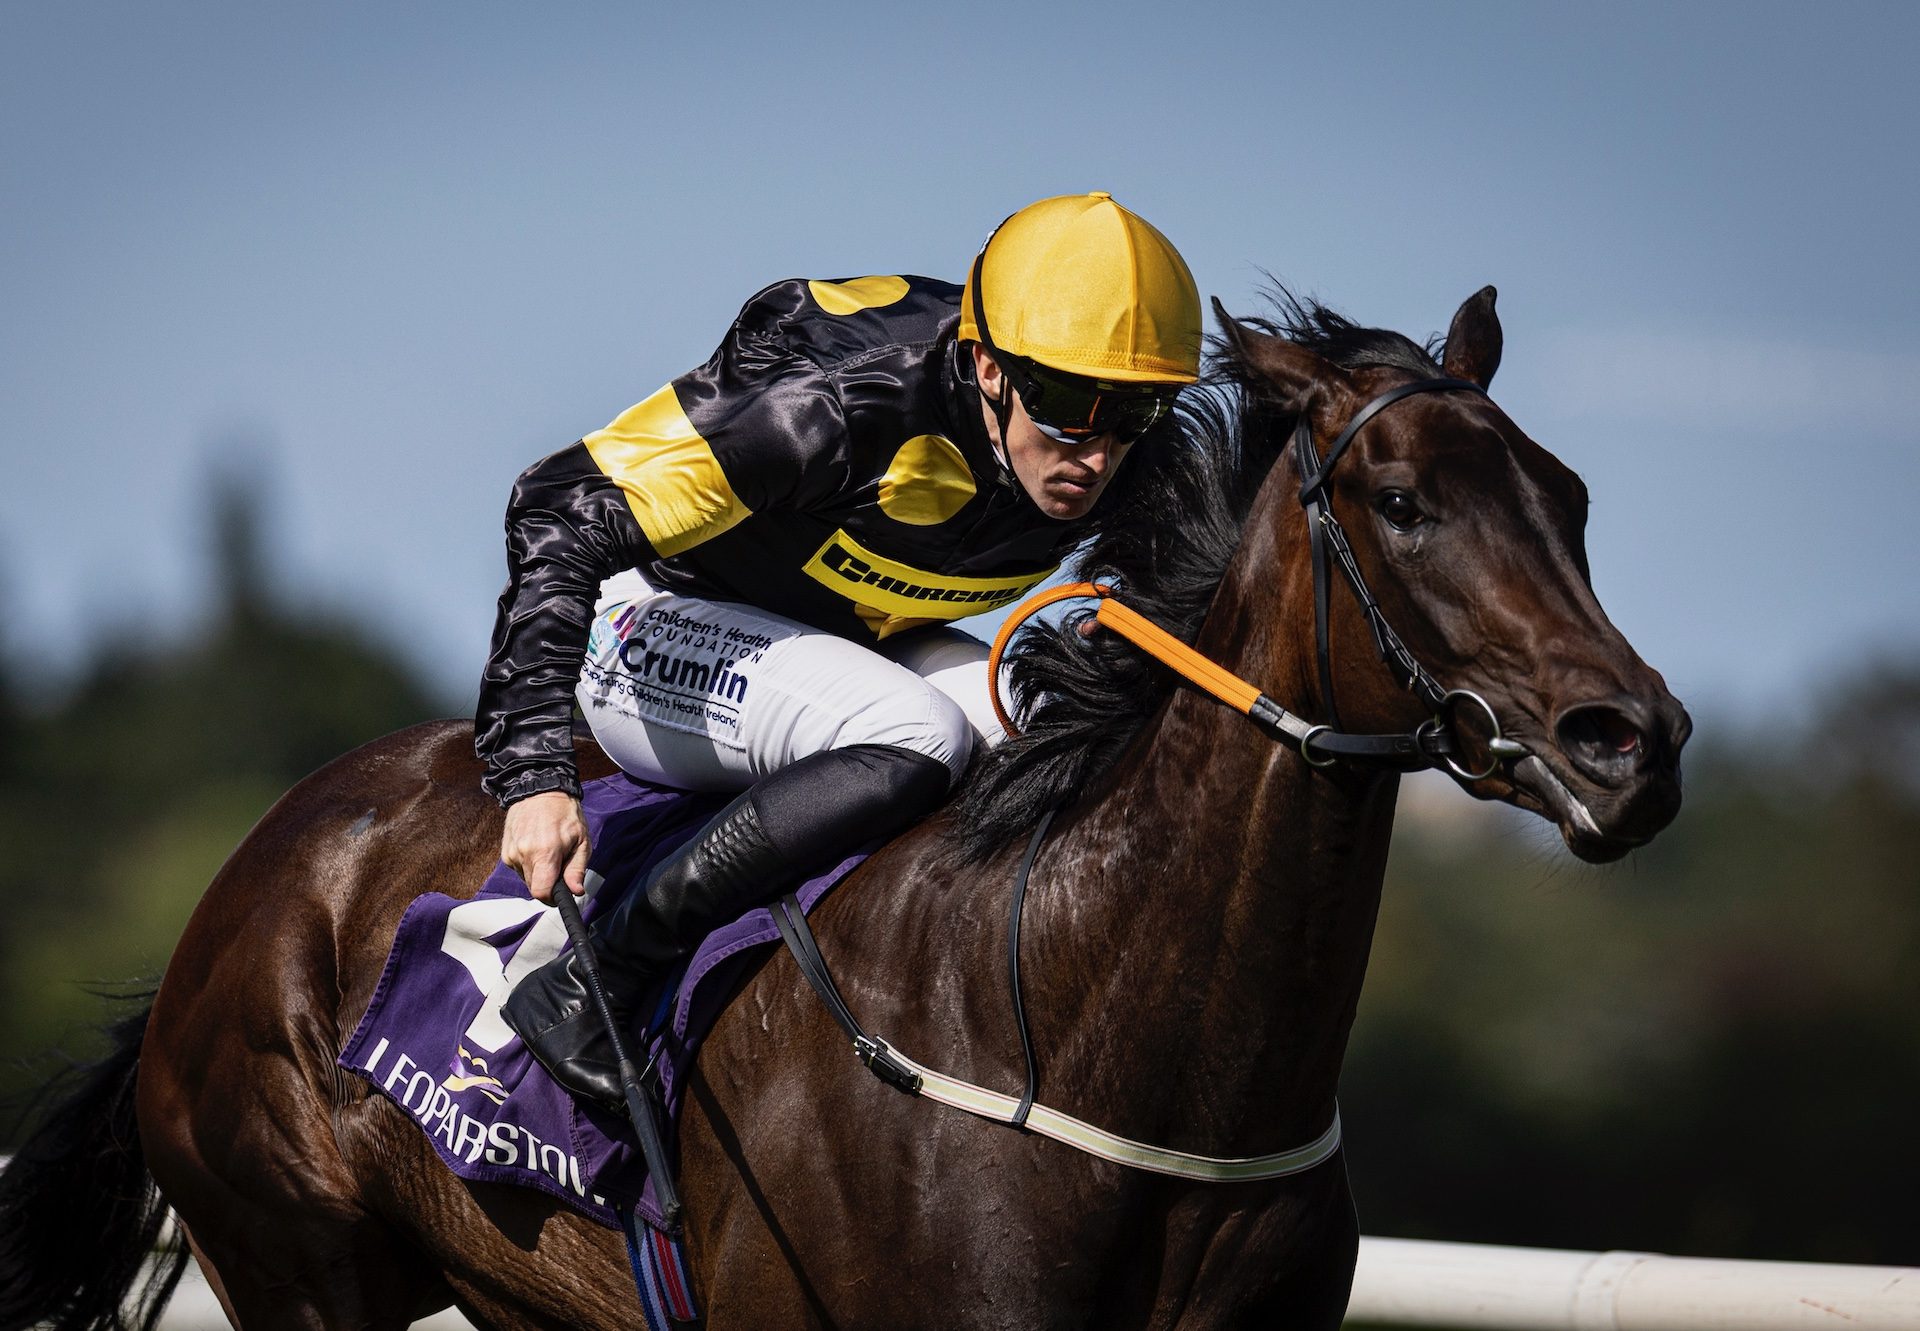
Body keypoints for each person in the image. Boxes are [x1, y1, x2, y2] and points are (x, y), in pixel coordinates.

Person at [477, 192, 1201, 1108]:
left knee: (1059, 736)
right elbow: (558, 503)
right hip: (653, 622)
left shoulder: (1133, 451)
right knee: (922, 733)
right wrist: (533, 770)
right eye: (1063, 404)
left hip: (848, 635)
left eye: (1133, 412)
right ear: (986, 365)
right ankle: (599, 977)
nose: (1095, 453)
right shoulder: (833, 404)